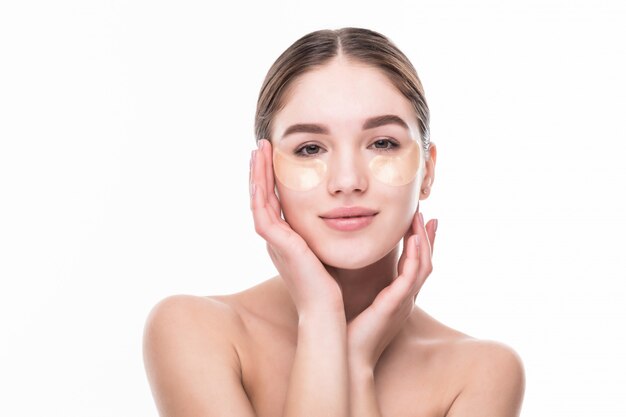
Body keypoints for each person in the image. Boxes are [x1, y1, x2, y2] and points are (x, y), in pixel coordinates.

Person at [142, 27, 525, 417]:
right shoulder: (195, 331)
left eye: (383, 143)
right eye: (310, 148)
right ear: (265, 172)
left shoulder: (482, 373)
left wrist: (358, 364)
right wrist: (321, 315)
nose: (347, 181)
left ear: (428, 170)